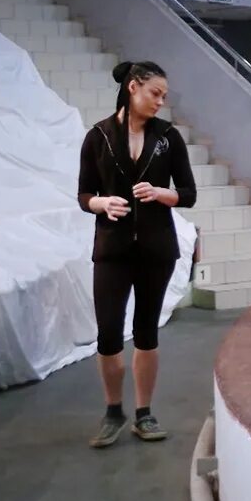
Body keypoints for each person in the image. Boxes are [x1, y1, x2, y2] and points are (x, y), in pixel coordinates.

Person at [77, 60, 197, 448]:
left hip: (156, 249)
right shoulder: (98, 136)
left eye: (163, 95)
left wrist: (163, 194)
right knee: (108, 333)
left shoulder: (169, 137)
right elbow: (83, 195)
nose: (161, 101)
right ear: (133, 88)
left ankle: (144, 414)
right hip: (111, 249)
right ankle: (113, 411)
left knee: (146, 333)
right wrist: (101, 204)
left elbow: (189, 194)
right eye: (155, 93)